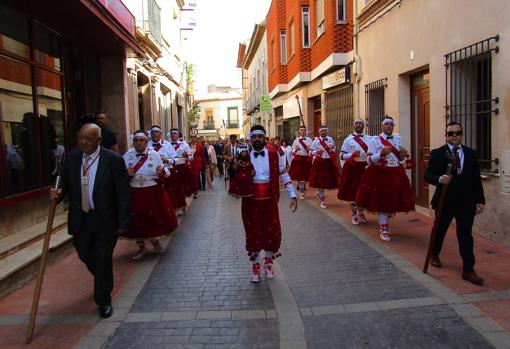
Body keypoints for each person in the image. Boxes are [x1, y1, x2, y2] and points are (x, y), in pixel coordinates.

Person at [49, 123, 130, 319]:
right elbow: (64, 187)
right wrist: (56, 193)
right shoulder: (71, 159)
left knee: (103, 259)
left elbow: (123, 194)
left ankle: (103, 299)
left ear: (99, 141)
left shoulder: (113, 160)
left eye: (88, 139)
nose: (83, 142)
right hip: (81, 218)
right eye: (80, 138)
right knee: (85, 254)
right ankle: (103, 280)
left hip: (105, 218)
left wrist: (123, 222)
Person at [425, 121, 485, 285]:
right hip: (445, 200)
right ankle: (434, 253)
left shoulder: (471, 154)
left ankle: (468, 269)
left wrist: (480, 200)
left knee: (465, 235)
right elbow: (428, 175)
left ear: (461, 135)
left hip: (466, 202)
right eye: (450, 133)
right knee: (439, 230)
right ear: (446, 136)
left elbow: (476, 179)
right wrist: (439, 179)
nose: (454, 136)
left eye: (457, 133)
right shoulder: (438, 153)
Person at [236, 125, 298, 282]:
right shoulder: (244, 156)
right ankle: (255, 266)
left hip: (269, 199)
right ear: (250, 139)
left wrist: (292, 194)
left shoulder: (275, 155)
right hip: (250, 201)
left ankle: (268, 263)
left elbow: (283, 175)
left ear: (264, 138)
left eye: (260, 136)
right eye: (254, 137)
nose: (257, 139)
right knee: (253, 232)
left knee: (272, 231)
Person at [355, 117, 415, 242]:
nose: (389, 126)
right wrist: (381, 153)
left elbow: (398, 159)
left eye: (391, 124)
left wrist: (402, 156)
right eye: (386, 124)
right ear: (382, 126)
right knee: (382, 201)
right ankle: (383, 228)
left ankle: (385, 222)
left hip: (396, 172)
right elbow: (369, 159)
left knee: (393, 199)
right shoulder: (374, 140)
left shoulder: (397, 138)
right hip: (380, 174)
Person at [123, 131, 178, 260]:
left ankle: (155, 241)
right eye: (136, 140)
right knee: (136, 221)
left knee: (153, 218)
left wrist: (161, 173)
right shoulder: (127, 155)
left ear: (146, 142)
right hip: (135, 191)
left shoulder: (154, 155)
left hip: (151, 192)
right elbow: (119, 176)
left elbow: (166, 173)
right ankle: (141, 247)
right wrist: (126, 174)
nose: (138, 143)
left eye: (141, 140)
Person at [337, 119, 370, 224]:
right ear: (353, 126)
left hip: (366, 168)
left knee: (364, 192)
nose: (359, 125)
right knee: (353, 193)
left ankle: (361, 212)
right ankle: (354, 213)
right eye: (356, 123)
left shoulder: (370, 139)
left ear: (364, 126)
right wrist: (352, 155)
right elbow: (341, 155)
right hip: (353, 168)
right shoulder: (348, 140)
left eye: (361, 123)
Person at [148, 126, 185, 212]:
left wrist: (166, 160)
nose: (154, 134)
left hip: (167, 172)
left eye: (157, 132)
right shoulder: (147, 145)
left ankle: (172, 210)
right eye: (152, 132)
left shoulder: (167, 145)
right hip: (152, 173)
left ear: (161, 134)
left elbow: (176, 159)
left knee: (170, 193)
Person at [308, 126, 339, 209]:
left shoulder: (330, 139)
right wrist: (316, 151)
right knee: (321, 183)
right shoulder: (315, 141)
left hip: (328, 162)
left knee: (327, 182)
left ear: (327, 132)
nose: (323, 132)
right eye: (322, 131)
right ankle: (322, 200)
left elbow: (334, 148)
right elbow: (310, 153)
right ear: (319, 132)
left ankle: (320, 192)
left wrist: (333, 150)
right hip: (319, 163)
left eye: (325, 130)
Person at [288, 125, 313, 200]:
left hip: (307, 159)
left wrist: (310, 149)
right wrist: (295, 149)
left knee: (306, 177)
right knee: (300, 177)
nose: (303, 131)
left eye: (304, 130)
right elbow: (292, 152)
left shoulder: (309, 140)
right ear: (299, 131)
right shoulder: (296, 140)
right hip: (298, 159)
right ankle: (302, 191)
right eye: (301, 130)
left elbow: (312, 151)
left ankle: (302, 186)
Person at [169, 128, 194, 197]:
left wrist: (186, 156)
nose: (173, 134)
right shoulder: (166, 145)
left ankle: (184, 204)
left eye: (175, 133)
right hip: (171, 167)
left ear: (178, 135)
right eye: (171, 133)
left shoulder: (184, 145)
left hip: (182, 168)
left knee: (183, 186)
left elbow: (191, 158)